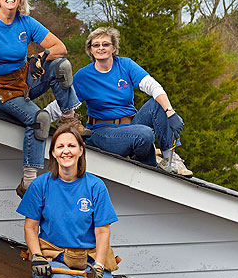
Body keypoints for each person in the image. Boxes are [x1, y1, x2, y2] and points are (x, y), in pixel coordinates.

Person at [17, 124, 164, 278]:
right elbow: (30, 226)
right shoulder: (41, 185)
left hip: (89, 262)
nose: (66, 151)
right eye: (60, 147)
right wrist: (37, 256)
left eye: (71, 145)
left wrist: (99, 268)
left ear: (81, 150)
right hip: (54, 259)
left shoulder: (95, 186)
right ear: (53, 152)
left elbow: (103, 233)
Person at [0, 0, 88, 198]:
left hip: (22, 81)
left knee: (61, 66)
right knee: (40, 119)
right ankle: (29, 182)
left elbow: (60, 47)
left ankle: (69, 118)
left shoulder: (25, 22)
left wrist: (39, 56)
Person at [73, 27, 192, 176]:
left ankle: (169, 158)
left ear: (114, 48)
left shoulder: (125, 65)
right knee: (144, 134)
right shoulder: (83, 76)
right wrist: (42, 117)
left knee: (157, 103)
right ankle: (151, 158)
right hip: (102, 132)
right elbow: (63, 103)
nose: (101, 48)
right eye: (96, 45)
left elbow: (153, 86)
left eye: (105, 44)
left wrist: (170, 112)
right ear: (90, 50)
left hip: (131, 125)